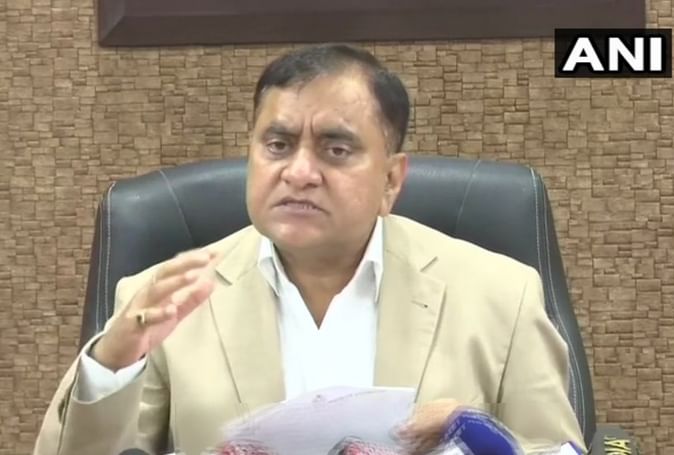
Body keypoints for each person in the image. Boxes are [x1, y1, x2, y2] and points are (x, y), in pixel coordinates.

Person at [34, 44, 585, 455]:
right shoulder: (165, 300)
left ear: (392, 180)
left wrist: (476, 441)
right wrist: (111, 365)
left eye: (335, 149)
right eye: (277, 144)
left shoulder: (500, 294)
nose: (299, 172)